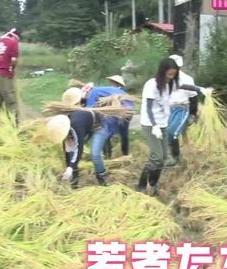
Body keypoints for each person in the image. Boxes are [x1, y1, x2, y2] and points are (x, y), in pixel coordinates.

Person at [137, 57, 209, 196]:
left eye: (173, 74)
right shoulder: (151, 85)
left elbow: (184, 87)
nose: (171, 77)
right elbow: (149, 107)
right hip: (150, 124)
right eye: (169, 74)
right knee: (157, 157)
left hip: (163, 124)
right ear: (162, 71)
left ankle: (153, 185)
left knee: (163, 158)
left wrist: (200, 89)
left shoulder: (170, 83)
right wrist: (154, 125)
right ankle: (141, 185)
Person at [82, 77, 134, 184]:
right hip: (128, 110)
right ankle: (125, 157)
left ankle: (103, 177)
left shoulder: (94, 92)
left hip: (112, 117)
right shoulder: (119, 92)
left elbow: (89, 113)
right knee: (122, 135)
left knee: (95, 153)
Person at [165, 54, 210, 166]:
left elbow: (192, 96)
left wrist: (192, 114)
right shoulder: (166, 78)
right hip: (169, 108)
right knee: (165, 133)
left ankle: (176, 158)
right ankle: (173, 156)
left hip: (182, 108)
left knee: (172, 133)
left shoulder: (187, 78)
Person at [45, 111, 103, 189]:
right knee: (71, 156)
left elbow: (79, 149)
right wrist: (68, 167)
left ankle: (102, 178)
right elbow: (66, 151)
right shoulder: (63, 130)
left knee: (94, 154)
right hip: (80, 126)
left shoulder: (76, 127)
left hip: (96, 124)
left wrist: (70, 167)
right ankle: (74, 185)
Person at [0, 28, 21, 125]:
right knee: (11, 103)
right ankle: (13, 127)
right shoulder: (13, 42)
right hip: (4, 76)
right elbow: (13, 60)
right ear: (15, 36)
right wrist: (12, 70)